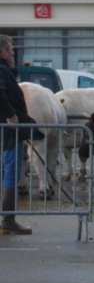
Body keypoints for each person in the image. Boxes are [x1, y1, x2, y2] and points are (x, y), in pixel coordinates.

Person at [0, 35, 35, 235]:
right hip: (9, 131)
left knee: (7, 170)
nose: (14, 53)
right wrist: (11, 115)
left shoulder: (5, 70)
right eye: (12, 51)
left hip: (8, 131)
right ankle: (8, 219)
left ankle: (7, 218)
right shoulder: (1, 70)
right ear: (4, 52)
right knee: (10, 171)